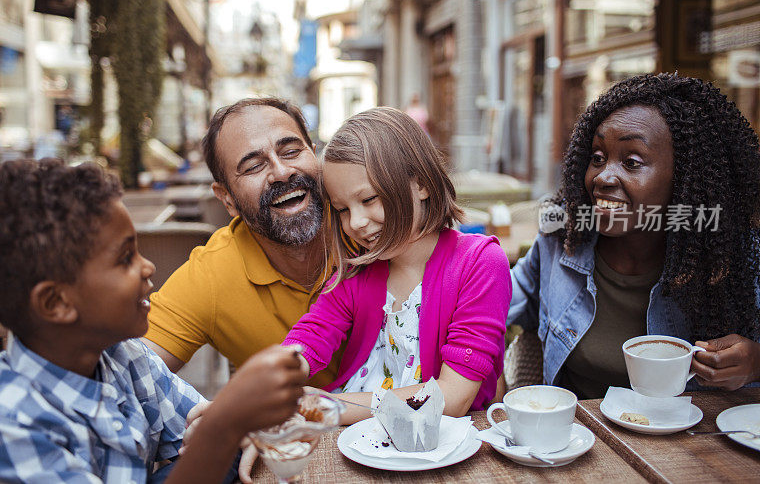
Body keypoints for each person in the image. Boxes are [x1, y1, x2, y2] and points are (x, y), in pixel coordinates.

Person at [0, 159, 307, 482]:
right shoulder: (4, 425)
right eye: (125, 258)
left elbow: (196, 429)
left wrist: (226, 425)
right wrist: (225, 424)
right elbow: (215, 433)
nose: (148, 266)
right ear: (56, 303)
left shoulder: (124, 356)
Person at [508, 73, 760, 400]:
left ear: (684, 178)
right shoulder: (561, 240)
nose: (603, 177)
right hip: (581, 440)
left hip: (694, 446)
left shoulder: (735, 257)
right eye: (597, 158)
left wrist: (756, 362)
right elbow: (488, 304)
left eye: (631, 161)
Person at [283, 107, 511, 423]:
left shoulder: (480, 262)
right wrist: (273, 381)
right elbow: (311, 335)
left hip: (448, 444)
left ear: (421, 184)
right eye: (343, 210)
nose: (356, 223)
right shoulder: (355, 272)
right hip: (359, 437)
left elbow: (453, 399)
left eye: (368, 199)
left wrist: (329, 406)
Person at [143, 98, 340, 388]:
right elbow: (131, 377)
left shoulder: (372, 227)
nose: (282, 172)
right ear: (227, 199)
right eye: (252, 167)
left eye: (291, 151)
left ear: (315, 155)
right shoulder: (213, 276)